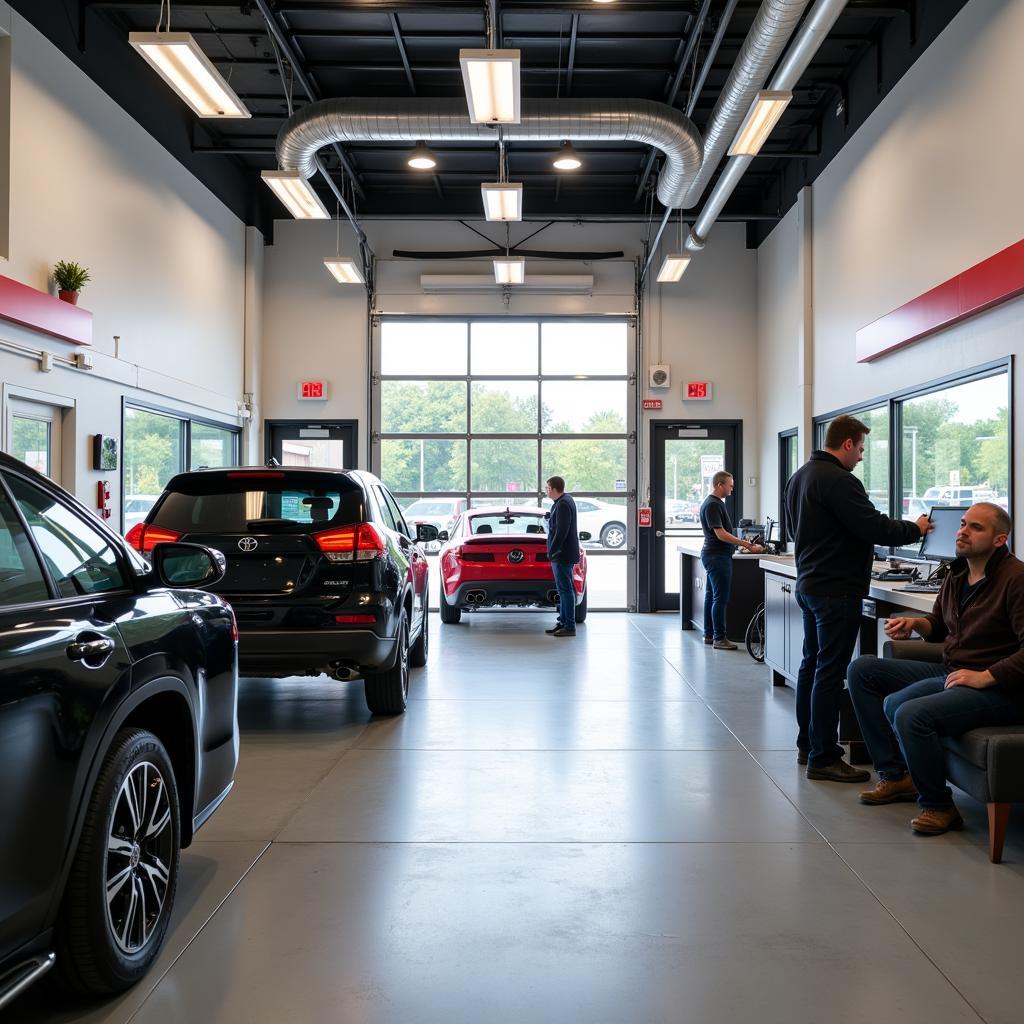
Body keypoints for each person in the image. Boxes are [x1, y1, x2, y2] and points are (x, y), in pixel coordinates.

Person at [847, 503, 1024, 835]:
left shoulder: (1016, 580)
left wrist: (987, 676)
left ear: (1000, 540)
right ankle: (897, 776)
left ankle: (939, 806)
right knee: (862, 671)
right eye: (962, 524)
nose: (962, 532)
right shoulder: (958, 573)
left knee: (910, 714)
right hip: (956, 672)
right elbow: (940, 626)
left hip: (1002, 688)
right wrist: (917, 624)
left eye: (976, 528)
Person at [785, 415, 931, 782]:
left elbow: (795, 529)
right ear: (847, 444)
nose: (862, 457)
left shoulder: (799, 476)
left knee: (812, 666)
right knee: (830, 674)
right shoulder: (840, 480)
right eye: (861, 448)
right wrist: (916, 529)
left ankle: (808, 745)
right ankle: (824, 757)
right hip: (836, 590)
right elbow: (873, 526)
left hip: (810, 585)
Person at [699, 471, 763, 650]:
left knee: (711, 596)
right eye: (730, 485)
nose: (732, 488)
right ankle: (719, 638)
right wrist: (746, 544)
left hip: (714, 555)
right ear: (720, 485)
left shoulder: (714, 503)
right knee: (720, 598)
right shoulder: (713, 505)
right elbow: (720, 534)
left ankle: (709, 634)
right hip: (717, 556)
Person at [544, 476, 579, 637]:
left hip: (562, 554)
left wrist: (553, 550)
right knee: (564, 589)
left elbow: (562, 531)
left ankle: (569, 626)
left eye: (547, 488)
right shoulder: (564, 501)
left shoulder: (563, 504)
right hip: (563, 553)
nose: (545, 491)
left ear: (553, 489)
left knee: (565, 590)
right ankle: (563, 622)